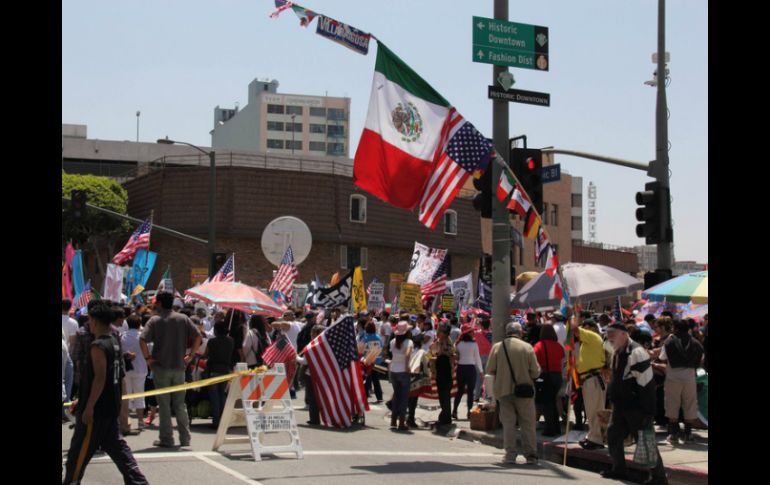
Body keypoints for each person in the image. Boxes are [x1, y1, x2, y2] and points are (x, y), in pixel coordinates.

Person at [62, 300, 148, 485]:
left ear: (94, 321)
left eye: (90, 320)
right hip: (111, 404)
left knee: (78, 453)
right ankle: (138, 482)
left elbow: (99, 378)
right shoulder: (114, 341)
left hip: (97, 410)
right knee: (119, 450)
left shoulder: (98, 346)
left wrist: (89, 406)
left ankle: (71, 481)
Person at [602, 323, 668, 484]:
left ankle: (659, 478)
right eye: (608, 335)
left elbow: (646, 384)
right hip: (620, 405)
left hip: (636, 407)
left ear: (624, 334)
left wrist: (648, 411)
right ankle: (619, 469)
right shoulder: (617, 350)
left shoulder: (637, 352)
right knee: (613, 435)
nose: (610, 338)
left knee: (645, 441)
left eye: (613, 334)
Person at [140, 291, 201, 448]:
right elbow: (198, 336)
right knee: (180, 405)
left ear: (159, 303)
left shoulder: (154, 320)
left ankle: (166, 438)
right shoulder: (183, 318)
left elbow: (142, 339)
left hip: (161, 367)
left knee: (164, 405)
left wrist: (148, 359)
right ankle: (185, 438)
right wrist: (191, 355)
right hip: (180, 368)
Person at [486, 321, 541, 465]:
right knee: (528, 424)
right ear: (520, 332)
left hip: (503, 392)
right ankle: (531, 455)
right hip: (524, 391)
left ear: (507, 332)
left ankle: (510, 455)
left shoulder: (498, 347)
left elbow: (490, 369)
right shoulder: (527, 347)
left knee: (508, 424)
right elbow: (535, 372)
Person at [657, 319, 704, 445]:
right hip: (689, 377)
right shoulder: (696, 342)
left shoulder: (669, 341)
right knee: (690, 404)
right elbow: (700, 360)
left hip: (673, 377)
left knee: (673, 404)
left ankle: (673, 435)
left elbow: (662, 358)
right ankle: (688, 435)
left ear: (675, 328)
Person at [573, 317, 607, 450]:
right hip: (590, 378)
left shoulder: (592, 336)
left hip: (593, 378)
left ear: (592, 328)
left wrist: (571, 315)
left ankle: (596, 439)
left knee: (594, 410)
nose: (583, 331)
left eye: (585, 327)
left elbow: (575, 330)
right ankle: (593, 437)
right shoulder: (589, 342)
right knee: (593, 410)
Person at [533, 324, 565, 436]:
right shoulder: (559, 346)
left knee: (546, 404)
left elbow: (534, 362)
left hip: (546, 376)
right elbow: (562, 363)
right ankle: (556, 428)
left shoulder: (539, 345)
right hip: (558, 376)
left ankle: (550, 429)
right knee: (553, 402)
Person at [204, 321, 234, 429]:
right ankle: (223, 420)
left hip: (213, 370)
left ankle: (216, 421)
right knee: (223, 396)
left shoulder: (211, 341)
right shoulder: (231, 341)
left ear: (216, 330)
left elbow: (205, 354)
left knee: (214, 397)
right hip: (226, 370)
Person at [121, 314, 148, 431]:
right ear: (139, 324)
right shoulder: (142, 337)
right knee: (140, 394)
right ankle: (141, 421)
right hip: (140, 369)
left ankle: (126, 420)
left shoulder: (122, 336)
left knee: (126, 395)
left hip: (126, 369)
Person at [296, 325, 326, 425]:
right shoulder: (326, 345)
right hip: (323, 374)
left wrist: (295, 357)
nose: (310, 334)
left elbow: (305, 361)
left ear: (314, 334)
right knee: (319, 397)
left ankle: (314, 419)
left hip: (311, 374)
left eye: (312, 333)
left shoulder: (312, 345)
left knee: (312, 398)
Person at [453, 324, 483, 420]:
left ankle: (454, 411)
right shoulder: (474, 344)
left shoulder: (457, 344)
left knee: (460, 391)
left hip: (460, 368)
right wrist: (481, 371)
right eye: (472, 331)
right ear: (468, 333)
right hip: (471, 369)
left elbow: (454, 356)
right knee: (470, 392)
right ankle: (469, 413)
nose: (474, 333)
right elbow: (477, 358)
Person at [389, 321, 413, 431]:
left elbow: (391, 353)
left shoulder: (393, 341)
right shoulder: (409, 342)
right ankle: (401, 423)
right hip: (403, 371)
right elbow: (408, 354)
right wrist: (407, 366)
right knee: (404, 398)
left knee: (396, 396)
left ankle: (393, 420)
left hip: (393, 370)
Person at [431, 322, 457, 425]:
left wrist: (443, 355)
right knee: (443, 396)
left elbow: (454, 356)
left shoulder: (448, 343)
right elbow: (431, 354)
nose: (437, 332)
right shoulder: (438, 342)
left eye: (440, 331)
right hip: (440, 371)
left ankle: (445, 417)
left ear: (445, 333)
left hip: (445, 372)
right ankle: (445, 416)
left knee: (445, 395)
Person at [359, 321, 384, 403]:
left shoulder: (365, 338)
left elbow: (360, 350)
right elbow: (382, 348)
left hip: (367, 362)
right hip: (377, 361)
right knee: (376, 380)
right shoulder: (379, 338)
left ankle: (365, 397)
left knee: (366, 380)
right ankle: (379, 397)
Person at [473, 317, 493, 402]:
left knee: (478, 377)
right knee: (489, 377)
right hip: (489, 357)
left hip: (479, 357)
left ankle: (476, 396)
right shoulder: (492, 334)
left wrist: (475, 322)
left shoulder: (477, 333)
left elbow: (471, 328)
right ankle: (488, 395)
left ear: (481, 325)